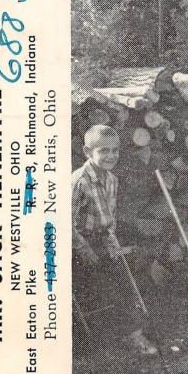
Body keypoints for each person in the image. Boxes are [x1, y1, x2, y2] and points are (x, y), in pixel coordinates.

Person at [72, 124, 157, 355]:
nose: (111, 156)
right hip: (76, 246)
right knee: (112, 281)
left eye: (115, 151)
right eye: (104, 151)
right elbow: (63, 223)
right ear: (88, 152)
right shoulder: (79, 181)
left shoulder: (112, 180)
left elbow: (109, 219)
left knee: (128, 269)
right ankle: (132, 335)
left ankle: (136, 328)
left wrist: (111, 242)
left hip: (101, 241)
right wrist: (85, 249)